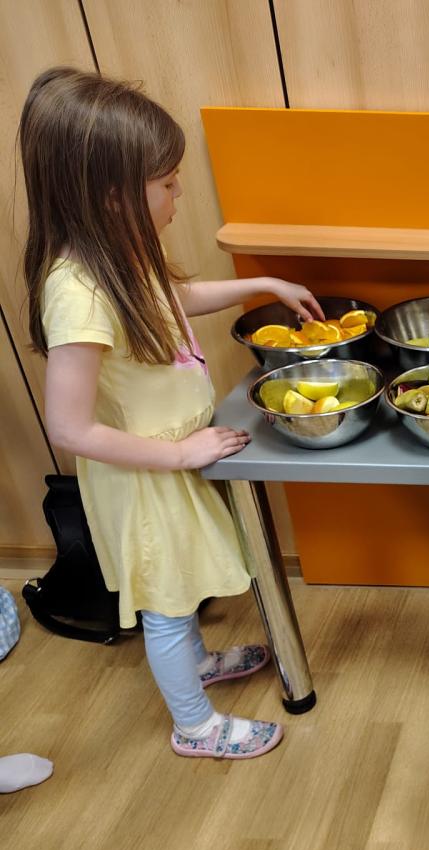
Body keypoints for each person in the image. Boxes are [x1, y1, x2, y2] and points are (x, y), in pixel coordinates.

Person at [20, 68, 318, 759]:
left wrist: (261, 282)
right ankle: (195, 725)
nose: (180, 194)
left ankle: (196, 663)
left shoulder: (119, 252)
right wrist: (181, 454)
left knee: (178, 586)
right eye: (168, 183)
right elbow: (69, 427)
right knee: (166, 601)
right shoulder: (77, 292)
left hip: (170, 458)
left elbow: (173, 299)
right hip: (145, 475)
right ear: (113, 195)